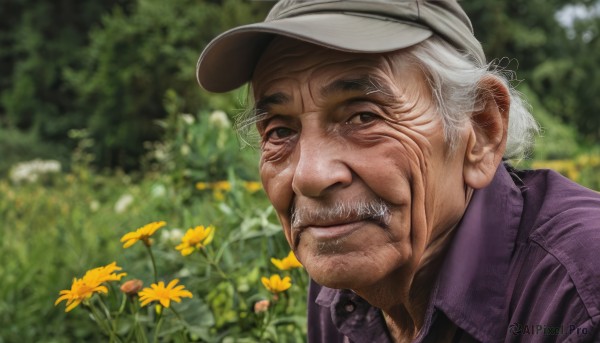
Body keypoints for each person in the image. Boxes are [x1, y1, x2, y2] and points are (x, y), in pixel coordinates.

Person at [196, 1, 600, 342]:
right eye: (281, 130)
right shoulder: (347, 267)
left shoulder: (580, 293)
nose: (310, 176)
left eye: (362, 116)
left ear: (479, 130)